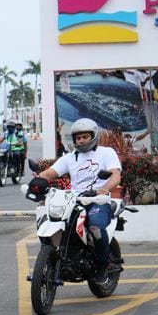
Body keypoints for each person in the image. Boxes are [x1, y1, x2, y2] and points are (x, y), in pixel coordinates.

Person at [33, 118, 122, 285]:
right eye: (77, 138)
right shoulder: (70, 157)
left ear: (93, 136)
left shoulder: (106, 152)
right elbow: (50, 172)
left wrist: (104, 189)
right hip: (74, 200)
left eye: (84, 137)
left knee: (95, 225)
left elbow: (115, 175)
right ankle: (51, 259)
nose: (80, 140)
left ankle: (103, 265)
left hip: (97, 200)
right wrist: (38, 180)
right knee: (46, 221)